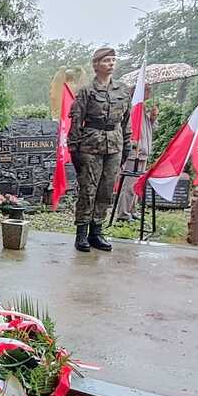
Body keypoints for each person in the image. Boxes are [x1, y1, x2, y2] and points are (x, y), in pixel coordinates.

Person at [68, 47, 131, 252]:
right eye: (106, 61)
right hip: (90, 145)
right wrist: (74, 149)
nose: (111, 63)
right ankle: (81, 233)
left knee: (105, 190)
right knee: (88, 190)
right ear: (96, 65)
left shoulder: (122, 90)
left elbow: (126, 121)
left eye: (113, 60)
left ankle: (97, 232)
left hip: (114, 144)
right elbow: (76, 121)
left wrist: (127, 145)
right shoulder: (87, 91)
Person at [116, 86, 157, 221]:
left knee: (137, 184)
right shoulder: (132, 109)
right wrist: (132, 143)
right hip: (134, 153)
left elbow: (148, 130)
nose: (150, 92)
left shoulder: (142, 110)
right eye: (147, 90)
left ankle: (132, 209)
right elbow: (125, 130)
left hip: (143, 152)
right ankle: (123, 214)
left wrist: (152, 118)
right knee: (129, 185)